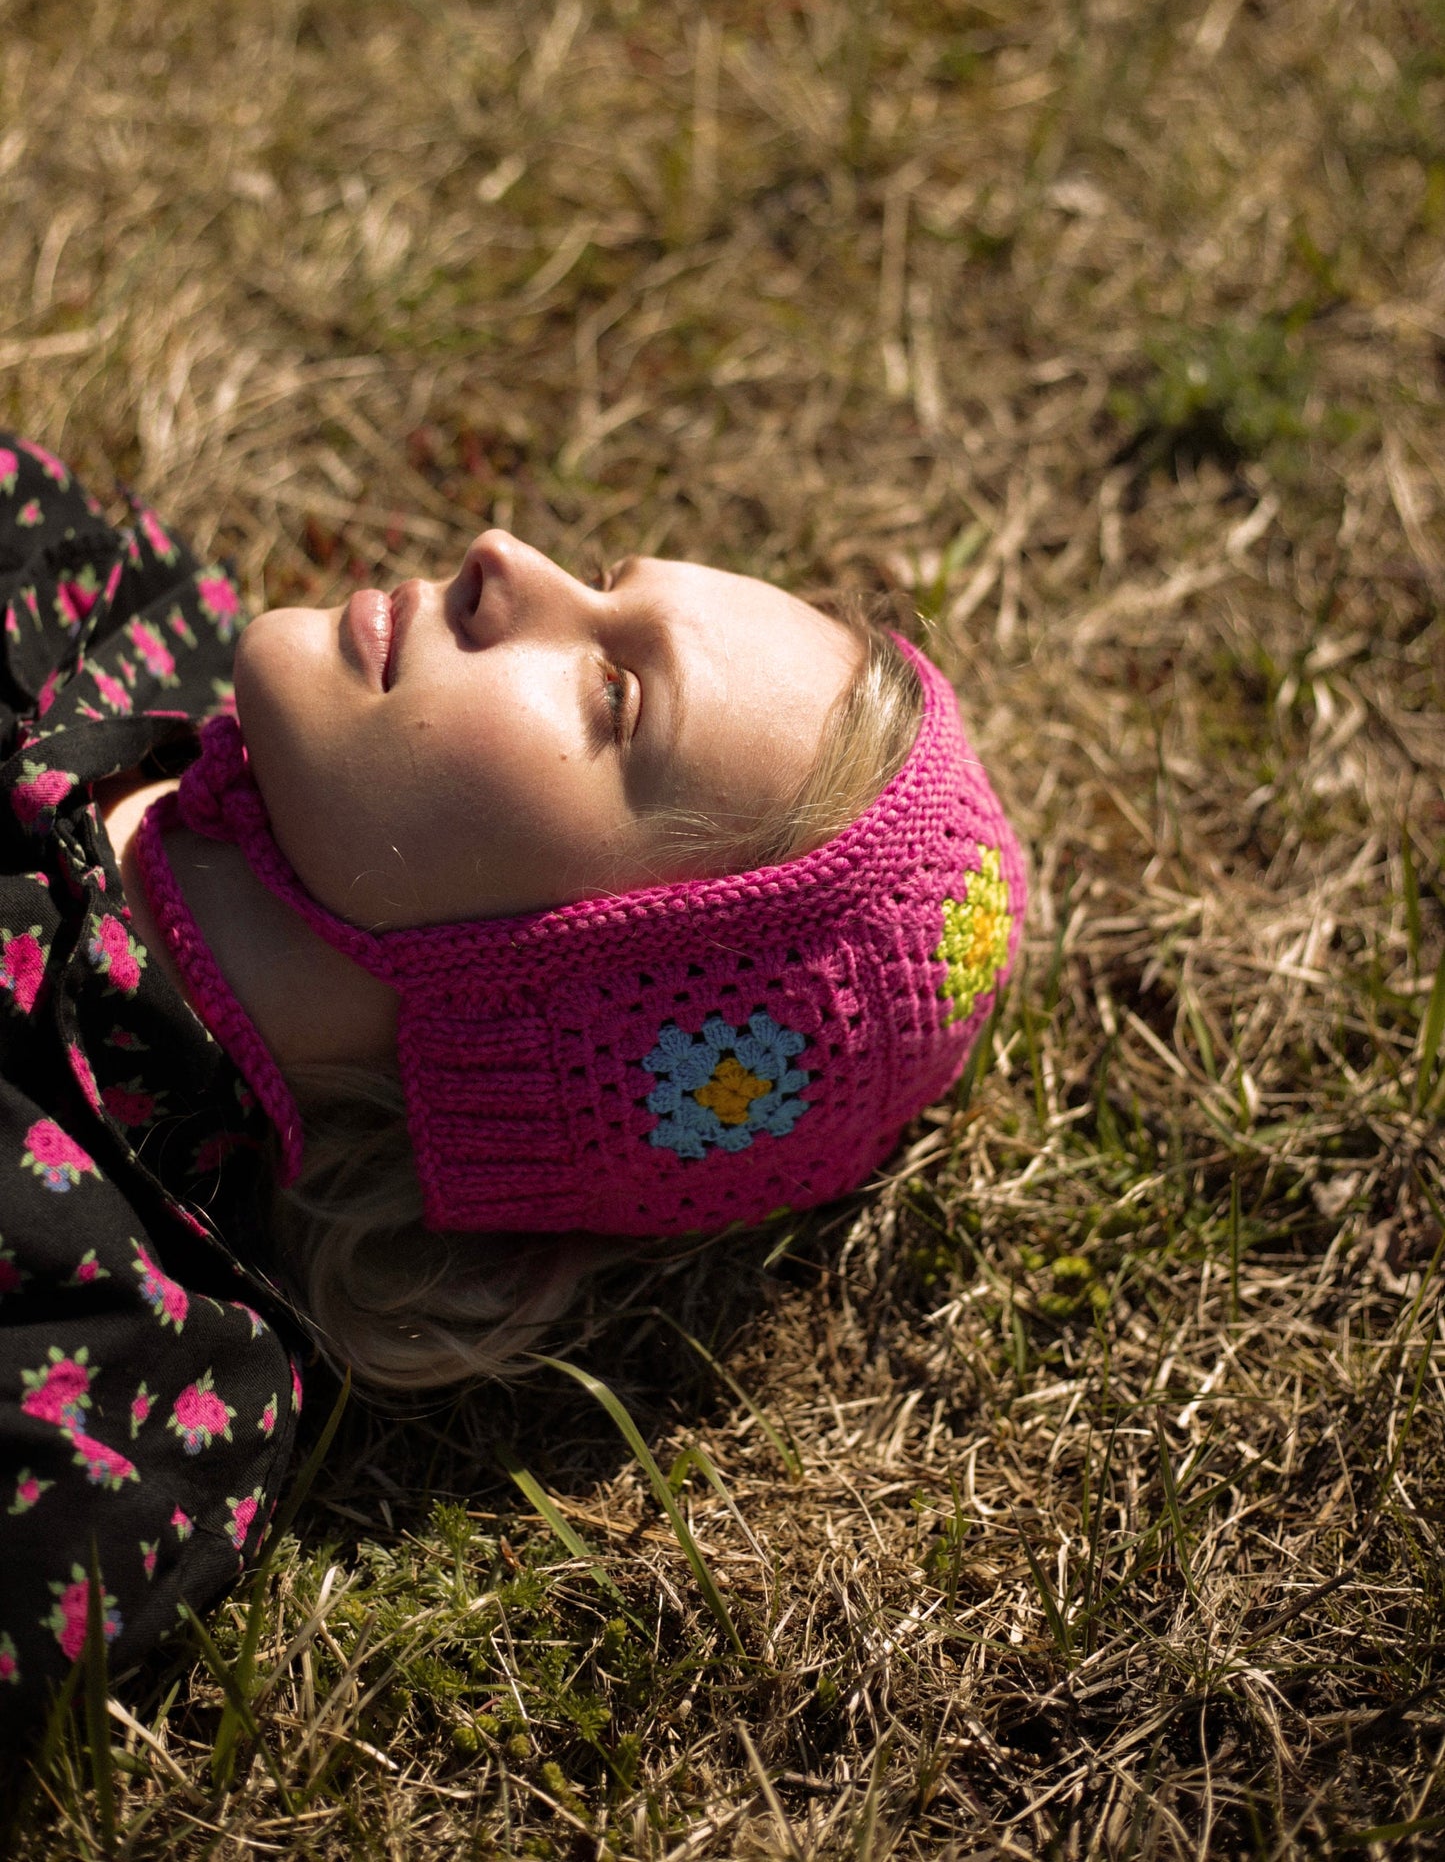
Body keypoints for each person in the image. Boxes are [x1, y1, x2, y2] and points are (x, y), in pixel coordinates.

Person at [0, 432, 1024, 1735]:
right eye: (602, 575)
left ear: (545, 1017)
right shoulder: (91, 599)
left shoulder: (111, 1401)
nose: (503, 560)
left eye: (613, 698)